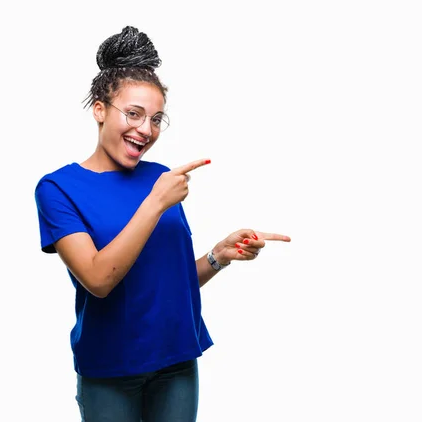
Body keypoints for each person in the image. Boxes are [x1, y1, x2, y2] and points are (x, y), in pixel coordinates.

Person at [34, 26, 291, 422]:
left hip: (177, 363)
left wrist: (218, 255)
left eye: (156, 119)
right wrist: (155, 202)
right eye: (133, 114)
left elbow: (168, 282)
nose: (146, 130)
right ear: (99, 110)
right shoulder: (58, 188)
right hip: (110, 370)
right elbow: (99, 280)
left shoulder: (161, 177)